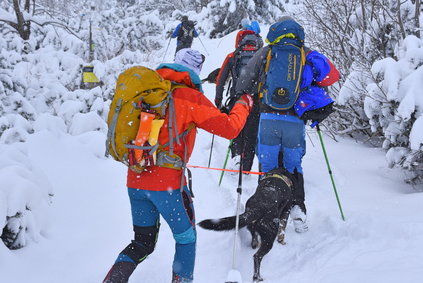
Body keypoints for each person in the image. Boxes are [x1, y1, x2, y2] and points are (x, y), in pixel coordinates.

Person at [102, 48, 253, 283]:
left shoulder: (150, 93)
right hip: (167, 186)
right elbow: (231, 128)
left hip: (136, 179)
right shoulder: (189, 97)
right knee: (186, 238)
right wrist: (244, 103)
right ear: (195, 72)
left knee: (142, 242)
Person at [235, 17, 340, 237]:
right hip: (295, 120)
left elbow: (244, 81)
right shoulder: (306, 53)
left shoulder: (267, 52)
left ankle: (266, 214)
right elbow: (332, 76)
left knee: (267, 167)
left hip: (268, 118)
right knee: (293, 167)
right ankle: (297, 208)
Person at [215, 28, 263, 172]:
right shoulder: (262, 56)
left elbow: (220, 79)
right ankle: (247, 166)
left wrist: (218, 99)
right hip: (256, 101)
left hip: (237, 99)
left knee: (236, 129)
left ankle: (236, 158)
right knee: (252, 133)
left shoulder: (233, 56)